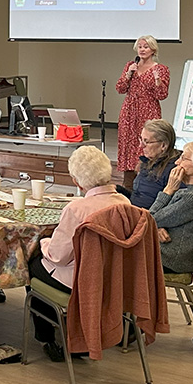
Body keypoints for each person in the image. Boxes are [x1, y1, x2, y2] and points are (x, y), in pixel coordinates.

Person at [29, 145, 130, 361]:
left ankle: (49, 338)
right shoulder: (125, 203)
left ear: (76, 180)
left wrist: (44, 242)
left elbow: (58, 256)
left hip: (81, 280)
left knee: (34, 265)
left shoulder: (77, 209)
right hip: (115, 278)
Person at [150, 142, 193, 274]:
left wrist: (168, 189)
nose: (177, 162)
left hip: (172, 260)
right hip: (167, 252)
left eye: (183, 158)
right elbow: (155, 220)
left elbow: (151, 218)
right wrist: (156, 228)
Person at [115, 35, 171, 188]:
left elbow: (162, 95)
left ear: (153, 49)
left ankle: (148, 181)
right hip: (129, 111)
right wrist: (128, 75)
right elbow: (120, 88)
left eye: (145, 47)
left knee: (148, 142)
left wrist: (157, 80)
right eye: (140, 47)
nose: (142, 50)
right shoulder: (130, 66)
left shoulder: (161, 69)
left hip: (149, 110)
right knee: (128, 144)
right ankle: (128, 184)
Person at [125, 119, 182, 209]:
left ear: (163, 145)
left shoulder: (174, 170)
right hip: (133, 211)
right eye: (141, 140)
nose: (141, 146)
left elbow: (170, 208)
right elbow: (138, 195)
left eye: (146, 142)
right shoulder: (148, 161)